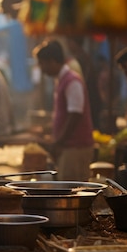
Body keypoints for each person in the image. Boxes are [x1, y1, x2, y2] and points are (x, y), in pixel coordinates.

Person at [34, 39, 94, 181]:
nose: (42, 69)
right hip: (69, 147)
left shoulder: (72, 81)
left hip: (75, 148)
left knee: (72, 193)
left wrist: (58, 142)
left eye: (42, 63)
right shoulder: (62, 80)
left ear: (53, 61)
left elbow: (75, 114)